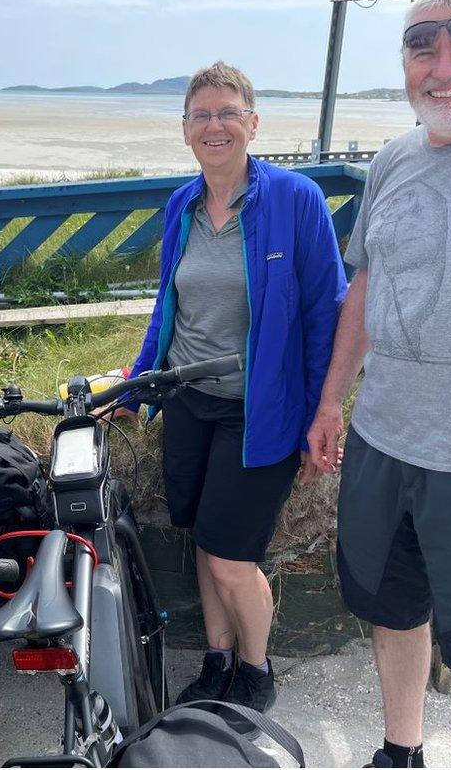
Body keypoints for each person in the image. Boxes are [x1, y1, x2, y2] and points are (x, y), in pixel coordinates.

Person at [307, 0, 451, 769]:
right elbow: (365, 283)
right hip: (385, 440)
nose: (444, 63)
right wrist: (332, 400)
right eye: (422, 44)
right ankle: (400, 751)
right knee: (391, 614)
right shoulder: (393, 159)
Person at [122, 61, 345, 724]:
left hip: (262, 413)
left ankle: (256, 670)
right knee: (199, 539)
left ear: (252, 122)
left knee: (230, 552)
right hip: (189, 401)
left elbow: (324, 316)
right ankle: (216, 662)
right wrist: (135, 385)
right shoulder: (181, 205)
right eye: (201, 115)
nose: (213, 126)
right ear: (186, 129)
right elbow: (170, 306)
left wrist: (320, 413)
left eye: (227, 113)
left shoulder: (294, 200)